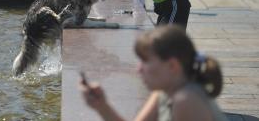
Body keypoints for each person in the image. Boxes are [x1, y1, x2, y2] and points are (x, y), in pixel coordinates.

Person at [80, 26, 228, 121]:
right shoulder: (164, 92)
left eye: (145, 61)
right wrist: (102, 106)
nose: (138, 69)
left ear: (172, 65)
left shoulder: (186, 100)